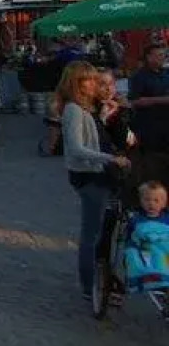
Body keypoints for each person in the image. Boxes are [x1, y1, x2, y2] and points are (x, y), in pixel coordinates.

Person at [58, 62, 130, 301]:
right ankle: (90, 285)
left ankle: (102, 280)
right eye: (88, 80)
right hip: (89, 176)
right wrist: (110, 158)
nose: (95, 84)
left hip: (99, 174)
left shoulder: (87, 108)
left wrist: (104, 116)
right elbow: (77, 148)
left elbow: (96, 135)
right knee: (92, 233)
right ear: (76, 83)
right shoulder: (73, 110)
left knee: (102, 231)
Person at [128, 41, 169, 194]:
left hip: (166, 124)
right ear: (148, 57)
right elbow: (134, 101)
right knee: (152, 163)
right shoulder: (139, 77)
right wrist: (159, 100)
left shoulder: (166, 73)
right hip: (150, 127)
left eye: (164, 55)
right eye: (159, 55)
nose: (163, 58)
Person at [119, 180, 169, 298]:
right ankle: (154, 279)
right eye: (147, 200)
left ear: (163, 203)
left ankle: (162, 279)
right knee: (136, 256)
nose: (151, 204)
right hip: (145, 248)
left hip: (164, 245)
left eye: (156, 200)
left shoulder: (166, 219)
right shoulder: (136, 219)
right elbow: (130, 237)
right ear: (141, 201)